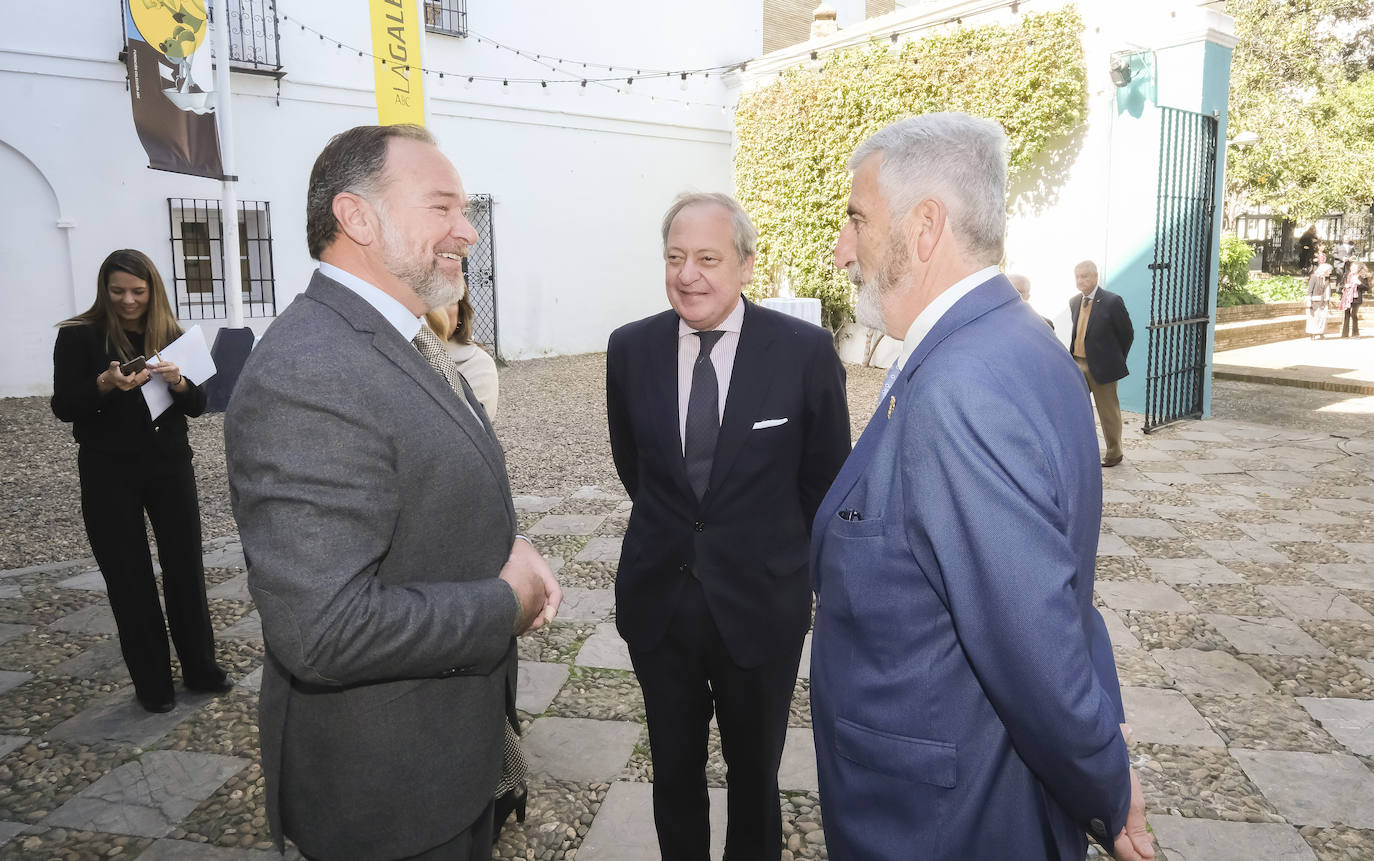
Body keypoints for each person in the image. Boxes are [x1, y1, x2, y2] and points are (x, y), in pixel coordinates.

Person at [813, 113, 1152, 861]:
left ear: (925, 226)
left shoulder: (959, 386)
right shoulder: (1022, 341)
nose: (843, 250)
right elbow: (1061, 594)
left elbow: (1033, 638)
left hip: (943, 822)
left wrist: (1107, 780)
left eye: (856, 219)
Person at [224, 124, 561, 861]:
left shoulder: (396, 335)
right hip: (390, 801)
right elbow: (323, 629)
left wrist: (507, 541)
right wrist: (506, 603)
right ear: (357, 217)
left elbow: (429, 483)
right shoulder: (309, 370)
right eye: (443, 207)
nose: (466, 230)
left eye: (465, 210)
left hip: (449, 763)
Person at [606, 192, 851, 860]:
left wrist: (779, 558)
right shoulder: (630, 349)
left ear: (746, 264)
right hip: (661, 604)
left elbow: (826, 479)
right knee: (673, 775)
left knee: (755, 780)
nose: (689, 274)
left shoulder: (801, 351)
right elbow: (638, 468)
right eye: (675, 257)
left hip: (761, 606)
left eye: (708, 258)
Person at [51, 249, 229, 715]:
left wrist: (180, 383)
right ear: (104, 291)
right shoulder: (78, 336)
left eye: (138, 291)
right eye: (118, 291)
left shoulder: (170, 334)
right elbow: (65, 405)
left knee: (185, 569)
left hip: (168, 465)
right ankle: (153, 684)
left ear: (152, 290)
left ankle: (200, 668)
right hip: (108, 470)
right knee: (128, 578)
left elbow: (198, 404)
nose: (128, 300)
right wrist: (106, 384)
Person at [1069, 260, 1134, 467]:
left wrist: (1114, 359)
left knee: (1108, 411)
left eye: (1085, 276)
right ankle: (1080, 451)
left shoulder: (1112, 301)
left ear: (1095, 276)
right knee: (1076, 409)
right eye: (1078, 276)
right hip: (1077, 363)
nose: (1080, 280)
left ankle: (1114, 452)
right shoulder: (1074, 302)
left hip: (1102, 366)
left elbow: (1127, 334)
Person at [429, 293, 499, 416]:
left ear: (460, 310)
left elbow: (470, 427)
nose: (439, 310)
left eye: (448, 300)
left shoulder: (476, 363)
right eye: (428, 299)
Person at [1340, 261, 1365, 338]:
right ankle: (1345, 334)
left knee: (1354, 315)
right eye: (1352, 267)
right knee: (1346, 315)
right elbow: (1341, 285)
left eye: (1355, 267)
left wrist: (1359, 283)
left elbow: (1366, 288)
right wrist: (1345, 286)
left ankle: (1355, 333)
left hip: (1356, 298)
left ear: (1359, 268)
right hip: (1347, 297)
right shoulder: (1347, 276)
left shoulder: (1362, 276)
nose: (1353, 269)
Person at [1307, 262, 1332, 339]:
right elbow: (1310, 290)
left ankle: (1321, 332)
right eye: (1329, 271)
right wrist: (1309, 301)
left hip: (1324, 301)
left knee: (1323, 318)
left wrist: (1328, 300)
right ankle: (1313, 333)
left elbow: (1327, 289)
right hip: (1315, 301)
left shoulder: (1327, 279)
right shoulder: (1314, 278)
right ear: (1324, 270)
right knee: (1315, 318)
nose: (1330, 272)